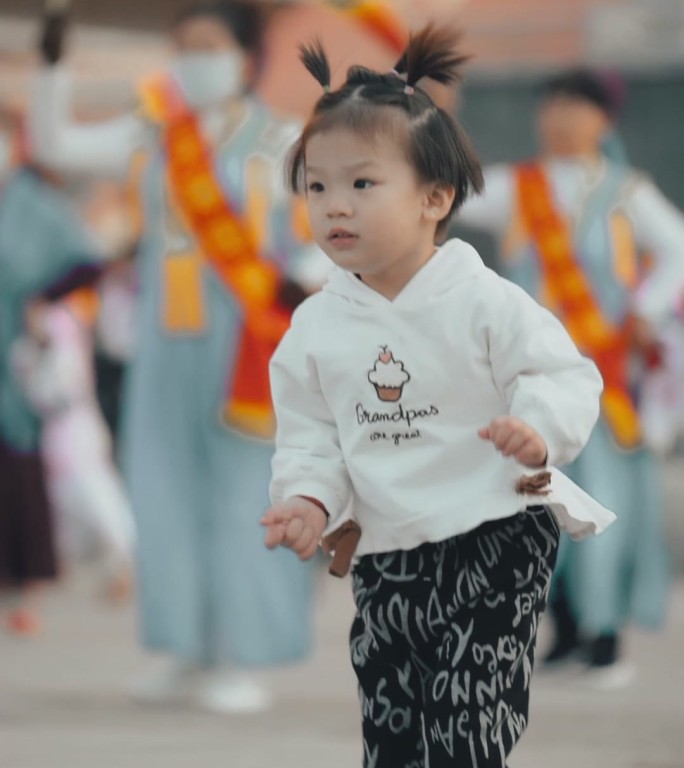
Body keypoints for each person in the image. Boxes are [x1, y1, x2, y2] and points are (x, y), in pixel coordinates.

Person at [260, 28, 615, 768]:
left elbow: (565, 374)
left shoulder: (484, 300)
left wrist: (538, 428)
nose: (334, 207)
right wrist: (309, 501)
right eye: (316, 187)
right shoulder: (316, 328)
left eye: (362, 184)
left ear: (435, 197)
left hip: (492, 534)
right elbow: (311, 436)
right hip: (388, 552)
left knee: (466, 719)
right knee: (392, 720)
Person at [30, 0, 326, 712]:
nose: (195, 59)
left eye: (210, 45)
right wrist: (50, 68)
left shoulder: (283, 141)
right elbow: (58, 145)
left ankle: (238, 656)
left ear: (246, 55)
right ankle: (185, 650)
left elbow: (341, 217)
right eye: (183, 46)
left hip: (249, 347)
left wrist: (309, 274)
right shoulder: (153, 135)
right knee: (162, 494)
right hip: (165, 346)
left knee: (243, 497)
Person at [457, 69, 684, 686]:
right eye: (552, 104)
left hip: (603, 375)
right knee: (533, 503)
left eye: (577, 107)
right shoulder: (514, 188)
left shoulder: (626, 192)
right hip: (527, 378)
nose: (561, 117)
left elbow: (677, 248)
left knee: (603, 503)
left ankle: (606, 635)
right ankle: (562, 630)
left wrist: (648, 310)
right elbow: (445, 191)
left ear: (604, 121)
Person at [0, 164, 103, 636]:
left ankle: (22, 593)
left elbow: (86, 259)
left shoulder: (32, 205)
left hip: (14, 361)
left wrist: (43, 301)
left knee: (18, 471)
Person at [11, 294, 135, 602]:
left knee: (96, 494)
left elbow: (62, 382)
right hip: (49, 427)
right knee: (58, 498)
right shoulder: (28, 325)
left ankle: (126, 560)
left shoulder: (61, 319)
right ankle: (59, 563)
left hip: (74, 423)